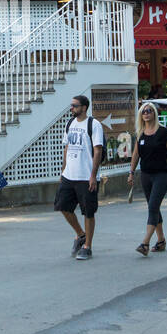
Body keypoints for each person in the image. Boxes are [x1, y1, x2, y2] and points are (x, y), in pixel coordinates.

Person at [128, 101, 167, 255]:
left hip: (161, 174)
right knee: (154, 208)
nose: (146, 113)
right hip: (146, 175)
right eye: (143, 112)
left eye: (149, 111)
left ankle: (145, 243)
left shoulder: (163, 132)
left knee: (153, 207)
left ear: (154, 113)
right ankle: (161, 241)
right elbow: (135, 154)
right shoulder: (140, 133)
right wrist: (131, 172)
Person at [54, 94, 106, 260]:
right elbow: (67, 147)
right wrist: (63, 170)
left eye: (75, 106)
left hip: (86, 176)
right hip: (70, 174)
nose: (72, 108)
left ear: (84, 107)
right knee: (62, 206)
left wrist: (93, 175)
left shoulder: (94, 125)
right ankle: (80, 233)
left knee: (88, 212)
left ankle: (87, 246)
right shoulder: (70, 123)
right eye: (71, 105)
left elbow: (97, 150)